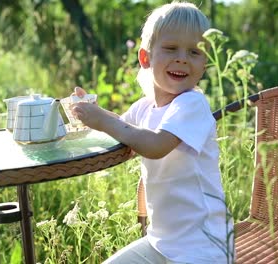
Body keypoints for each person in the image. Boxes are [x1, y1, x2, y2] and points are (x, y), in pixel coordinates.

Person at [70, 1, 234, 263]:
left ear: (204, 63)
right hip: (161, 243)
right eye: (171, 48)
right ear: (145, 58)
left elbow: (156, 145)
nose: (182, 58)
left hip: (202, 248)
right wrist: (93, 112)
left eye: (194, 52)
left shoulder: (192, 103)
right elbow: (122, 128)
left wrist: (102, 120)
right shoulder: (145, 106)